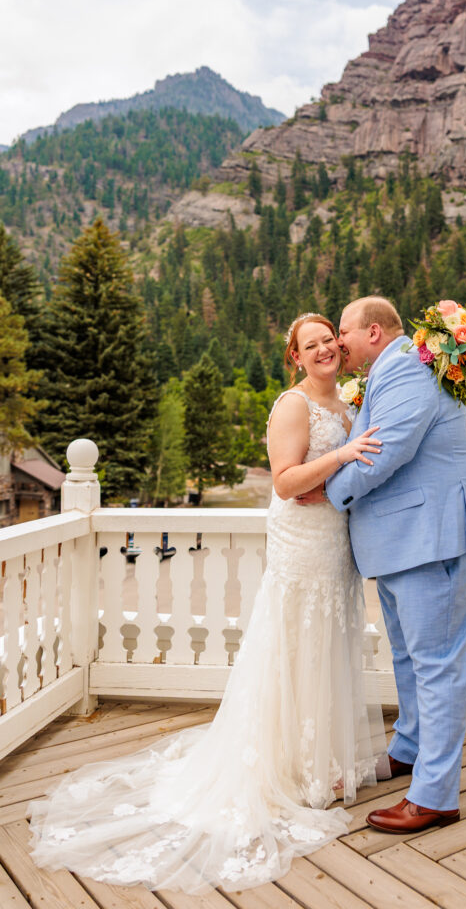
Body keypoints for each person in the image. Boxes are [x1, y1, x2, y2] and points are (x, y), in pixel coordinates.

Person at [28, 312, 389, 894]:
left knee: (327, 644)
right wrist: (343, 458)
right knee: (294, 643)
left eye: (330, 341)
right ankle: (288, 766)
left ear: (342, 352)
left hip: (335, 545)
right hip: (300, 548)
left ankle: (322, 758)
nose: (324, 349)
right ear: (295, 357)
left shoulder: (349, 404)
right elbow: (285, 481)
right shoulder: (293, 405)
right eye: (311, 344)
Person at [321, 295, 466, 834]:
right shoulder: (393, 371)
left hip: (432, 540)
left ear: (374, 332)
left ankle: (435, 795)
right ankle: (411, 749)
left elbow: (383, 450)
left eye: (343, 331)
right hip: (407, 543)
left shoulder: (406, 370)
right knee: (410, 659)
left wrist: (323, 488)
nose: (337, 342)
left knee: (435, 665)